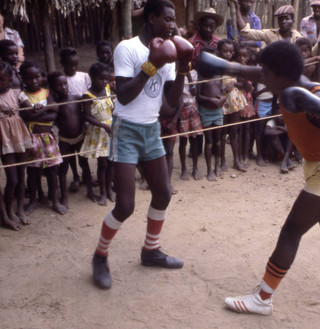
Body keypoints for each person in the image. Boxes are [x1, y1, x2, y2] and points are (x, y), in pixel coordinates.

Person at [197, 41, 320, 315]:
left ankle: (262, 298)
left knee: (291, 231)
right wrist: (214, 64)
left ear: (280, 75)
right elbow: (244, 69)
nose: (261, 76)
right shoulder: (278, 79)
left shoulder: (316, 93)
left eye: (265, 72)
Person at [91, 0, 192, 290]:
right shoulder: (128, 48)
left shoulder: (170, 50)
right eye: (168, 19)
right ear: (151, 18)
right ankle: (100, 257)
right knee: (124, 205)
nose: (173, 25)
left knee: (163, 193)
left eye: (173, 20)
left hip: (151, 129)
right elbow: (122, 96)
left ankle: (151, 251)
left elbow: (169, 107)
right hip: (126, 130)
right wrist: (151, 65)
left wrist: (182, 68)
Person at [19, 61, 65, 215]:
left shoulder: (46, 93)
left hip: (48, 139)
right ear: (23, 79)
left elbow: (55, 111)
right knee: (32, 173)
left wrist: (39, 110)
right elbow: (27, 115)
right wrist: (44, 110)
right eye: (29, 78)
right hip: (30, 139)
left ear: (41, 77)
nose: (33, 81)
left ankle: (55, 200)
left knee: (52, 171)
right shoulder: (22, 95)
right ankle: (33, 200)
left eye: (36, 77)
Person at [48, 71, 93, 208]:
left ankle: (90, 191)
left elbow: (86, 111)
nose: (63, 87)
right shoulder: (55, 104)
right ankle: (64, 197)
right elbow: (53, 120)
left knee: (84, 164)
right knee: (63, 168)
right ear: (53, 87)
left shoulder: (77, 98)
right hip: (64, 140)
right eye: (59, 85)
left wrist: (86, 122)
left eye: (64, 84)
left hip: (79, 137)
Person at [0, 62, 33, 230]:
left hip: (19, 137)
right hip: (4, 140)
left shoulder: (16, 93)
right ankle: (8, 212)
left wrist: (35, 107)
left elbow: (28, 106)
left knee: (21, 177)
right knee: (11, 179)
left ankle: (19, 209)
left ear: (10, 79)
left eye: (2, 79)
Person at [80, 63, 114, 206]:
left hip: (111, 130)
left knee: (112, 162)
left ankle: (110, 190)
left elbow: (112, 108)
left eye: (107, 79)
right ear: (92, 78)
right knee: (102, 164)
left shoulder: (107, 90)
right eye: (101, 79)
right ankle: (103, 192)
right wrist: (103, 126)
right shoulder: (87, 95)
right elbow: (87, 117)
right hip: (99, 131)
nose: (105, 82)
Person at [197, 48, 226, 181]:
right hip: (206, 112)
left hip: (218, 111)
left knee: (218, 140)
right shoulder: (201, 76)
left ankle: (217, 166)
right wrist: (211, 100)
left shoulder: (219, 75)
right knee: (208, 141)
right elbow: (198, 96)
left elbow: (223, 91)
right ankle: (209, 169)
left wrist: (222, 99)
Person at [218, 39, 246, 172]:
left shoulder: (235, 66)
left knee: (234, 131)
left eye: (230, 51)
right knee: (223, 132)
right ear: (219, 52)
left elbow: (242, 85)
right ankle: (222, 161)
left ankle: (236, 160)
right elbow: (212, 85)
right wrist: (223, 88)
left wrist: (233, 84)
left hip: (234, 101)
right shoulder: (217, 66)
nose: (228, 54)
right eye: (225, 51)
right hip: (223, 102)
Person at [178, 69, 202, 181]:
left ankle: (195, 168)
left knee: (194, 139)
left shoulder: (194, 73)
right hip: (181, 108)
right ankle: (183, 168)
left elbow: (194, 92)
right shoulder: (175, 73)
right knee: (183, 140)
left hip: (193, 107)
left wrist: (189, 76)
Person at [238, 5, 302, 46]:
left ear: (293, 21)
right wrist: (237, 9)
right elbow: (245, 32)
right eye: (280, 19)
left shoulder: (298, 37)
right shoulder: (269, 34)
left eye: (287, 19)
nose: (283, 22)